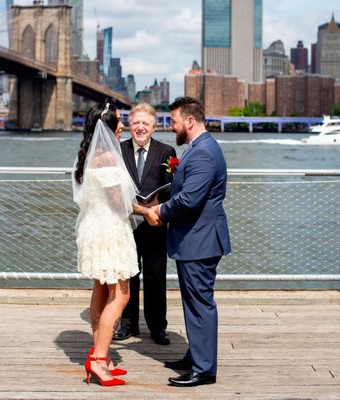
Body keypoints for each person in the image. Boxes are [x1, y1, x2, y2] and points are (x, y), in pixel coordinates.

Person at [72, 103, 159, 387]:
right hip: (109, 231)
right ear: (107, 126)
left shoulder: (87, 154)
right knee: (121, 294)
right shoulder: (107, 156)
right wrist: (147, 211)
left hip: (93, 228)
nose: (122, 126)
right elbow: (118, 202)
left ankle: (100, 354)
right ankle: (98, 360)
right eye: (119, 122)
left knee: (101, 288)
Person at [152, 97, 231, 387]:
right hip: (194, 239)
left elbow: (190, 199)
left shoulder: (204, 153)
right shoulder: (198, 149)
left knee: (200, 303)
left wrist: (160, 210)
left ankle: (205, 369)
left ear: (189, 121)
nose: (170, 127)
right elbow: (182, 189)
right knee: (193, 301)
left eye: (173, 122)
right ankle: (196, 355)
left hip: (201, 240)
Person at [113, 103, 176, 345]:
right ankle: (128, 324)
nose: (140, 128)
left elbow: (171, 186)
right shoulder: (118, 151)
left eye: (145, 124)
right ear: (130, 125)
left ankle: (157, 327)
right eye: (136, 123)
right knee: (128, 276)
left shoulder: (167, 151)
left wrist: (159, 206)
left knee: (156, 277)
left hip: (155, 223)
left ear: (154, 127)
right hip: (126, 224)